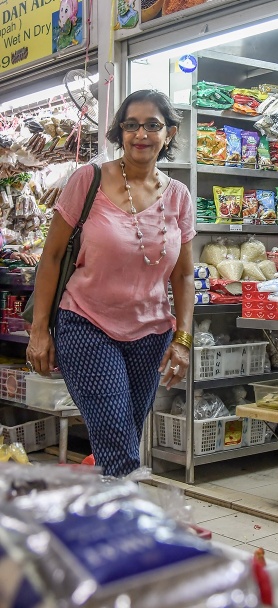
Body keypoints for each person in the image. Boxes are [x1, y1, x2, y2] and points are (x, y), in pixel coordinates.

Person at [26, 90, 196, 477]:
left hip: (151, 335)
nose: (141, 134)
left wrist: (183, 340)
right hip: (86, 325)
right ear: (119, 131)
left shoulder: (179, 196)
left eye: (152, 125)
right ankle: (127, 530)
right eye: (131, 124)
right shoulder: (89, 180)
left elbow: (183, 274)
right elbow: (51, 257)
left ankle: (96, 518)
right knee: (119, 447)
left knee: (119, 443)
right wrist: (39, 331)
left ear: (168, 133)